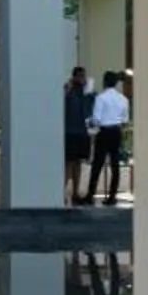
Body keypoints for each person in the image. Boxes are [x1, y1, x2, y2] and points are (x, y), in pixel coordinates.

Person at [82, 70, 131, 205]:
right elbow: (125, 120)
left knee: (97, 164)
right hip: (116, 132)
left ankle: (90, 195)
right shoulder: (123, 99)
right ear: (116, 83)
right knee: (115, 165)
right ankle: (112, 196)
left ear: (104, 82)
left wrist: (90, 123)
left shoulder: (101, 98)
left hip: (103, 132)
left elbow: (96, 119)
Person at [61, 66, 92, 204]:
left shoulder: (85, 93)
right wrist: (66, 90)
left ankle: (75, 193)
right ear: (74, 77)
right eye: (81, 76)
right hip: (69, 132)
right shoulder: (68, 90)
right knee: (68, 163)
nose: (83, 79)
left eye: (84, 76)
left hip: (82, 132)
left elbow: (89, 110)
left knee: (78, 162)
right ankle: (61, 192)